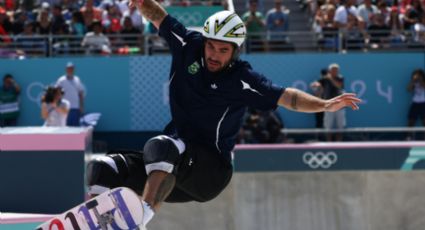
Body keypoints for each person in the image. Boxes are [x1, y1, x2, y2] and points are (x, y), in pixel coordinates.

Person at [85, 1, 361, 229]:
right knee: (103, 167)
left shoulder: (243, 78)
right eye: (211, 47)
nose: (214, 55)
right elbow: (160, 16)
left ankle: (140, 219)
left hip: (211, 171)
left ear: (235, 51)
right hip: (175, 171)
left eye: (223, 50)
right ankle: (94, 222)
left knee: (160, 145)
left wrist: (324, 105)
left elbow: (287, 96)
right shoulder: (188, 45)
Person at [310, 63, 345, 141]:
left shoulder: (340, 78)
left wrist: (330, 78)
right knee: (328, 126)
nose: (335, 72)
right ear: (330, 71)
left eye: (336, 70)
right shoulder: (325, 79)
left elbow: (339, 85)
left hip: (340, 106)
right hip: (329, 105)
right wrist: (316, 85)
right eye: (333, 70)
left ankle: (339, 143)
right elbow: (315, 84)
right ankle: (329, 144)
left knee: (340, 126)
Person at [55, 62, 85, 126]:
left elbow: (81, 93)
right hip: (64, 108)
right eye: (68, 68)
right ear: (66, 69)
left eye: (71, 68)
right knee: (65, 127)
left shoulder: (77, 79)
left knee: (75, 128)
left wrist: (81, 106)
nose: (70, 70)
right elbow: (56, 93)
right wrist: (57, 105)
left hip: (75, 108)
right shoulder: (61, 80)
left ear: (74, 70)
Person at [406, 68, 425, 139]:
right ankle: (408, 136)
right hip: (415, 103)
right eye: (415, 74)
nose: (416, 76)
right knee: (411, 120)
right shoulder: (414, 82)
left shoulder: (423, 81)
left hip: (423, 103)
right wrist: (413, 81)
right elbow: (408, 89)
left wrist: (420, 80)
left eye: (418, 74)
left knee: (424, 121)